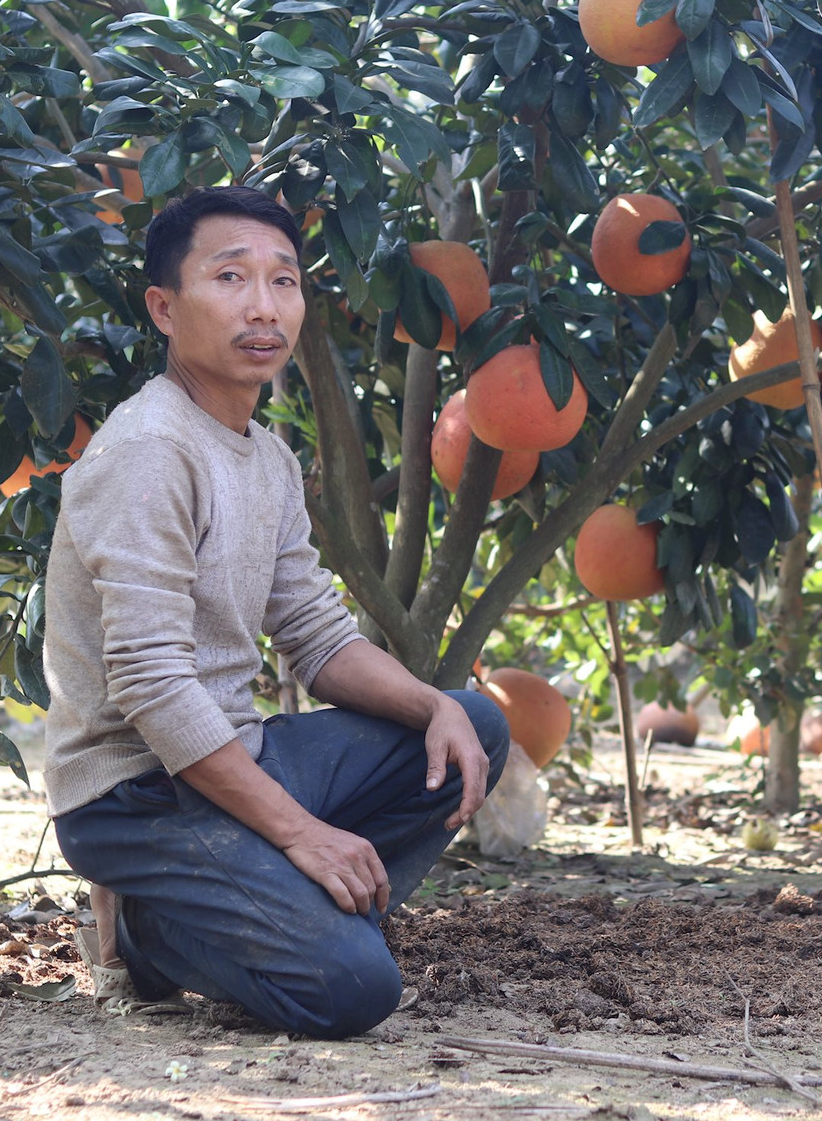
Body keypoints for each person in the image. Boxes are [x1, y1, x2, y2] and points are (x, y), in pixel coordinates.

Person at [42, 184, 510, 1037]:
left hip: (234, 757)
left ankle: (269, 907)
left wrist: (434, 704)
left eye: (283, 281)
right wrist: (302, 835)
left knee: (471, 728)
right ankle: (150, 934)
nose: (262, 307)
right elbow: (150, 684)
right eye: (229, 278)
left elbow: (318, 637)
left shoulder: (267, 459)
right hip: (136, 796)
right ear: (163, 307)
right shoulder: (149, 451)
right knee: (352, 992)